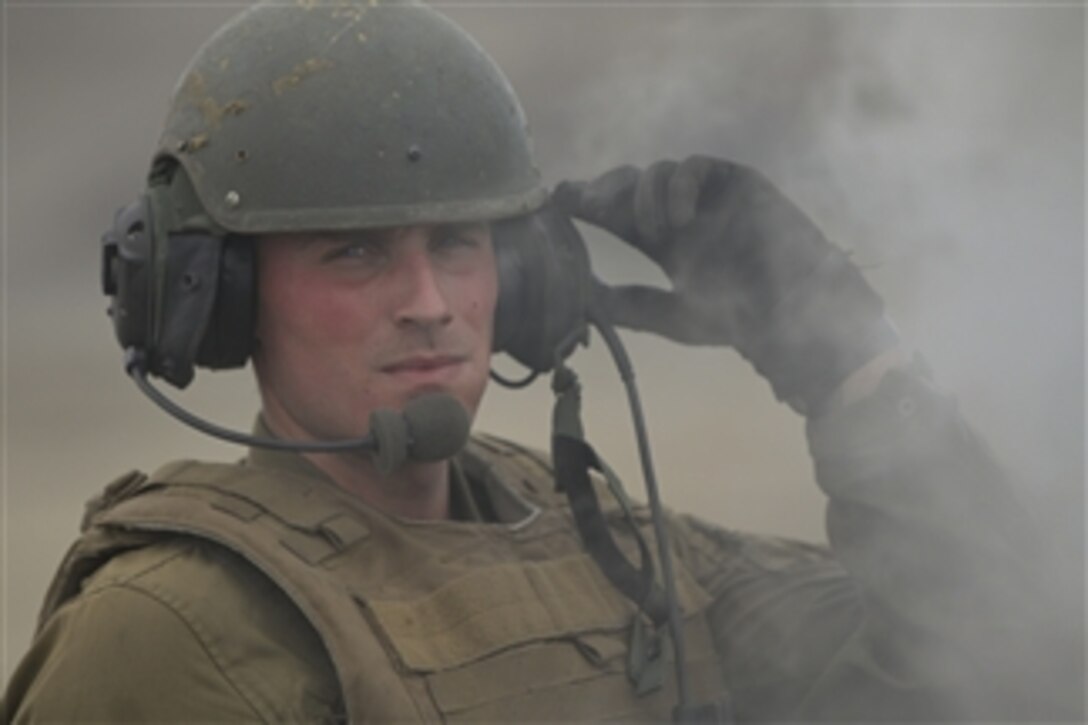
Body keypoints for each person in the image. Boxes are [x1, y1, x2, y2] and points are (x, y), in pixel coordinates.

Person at [2, 1, 1075, 722]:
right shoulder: (164, 635)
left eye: (458, 245)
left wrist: (848, 363)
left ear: (525, 279)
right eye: (356, 251)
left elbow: (976, 655)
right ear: (217, 297)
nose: (427, 304)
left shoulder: (607, 551)